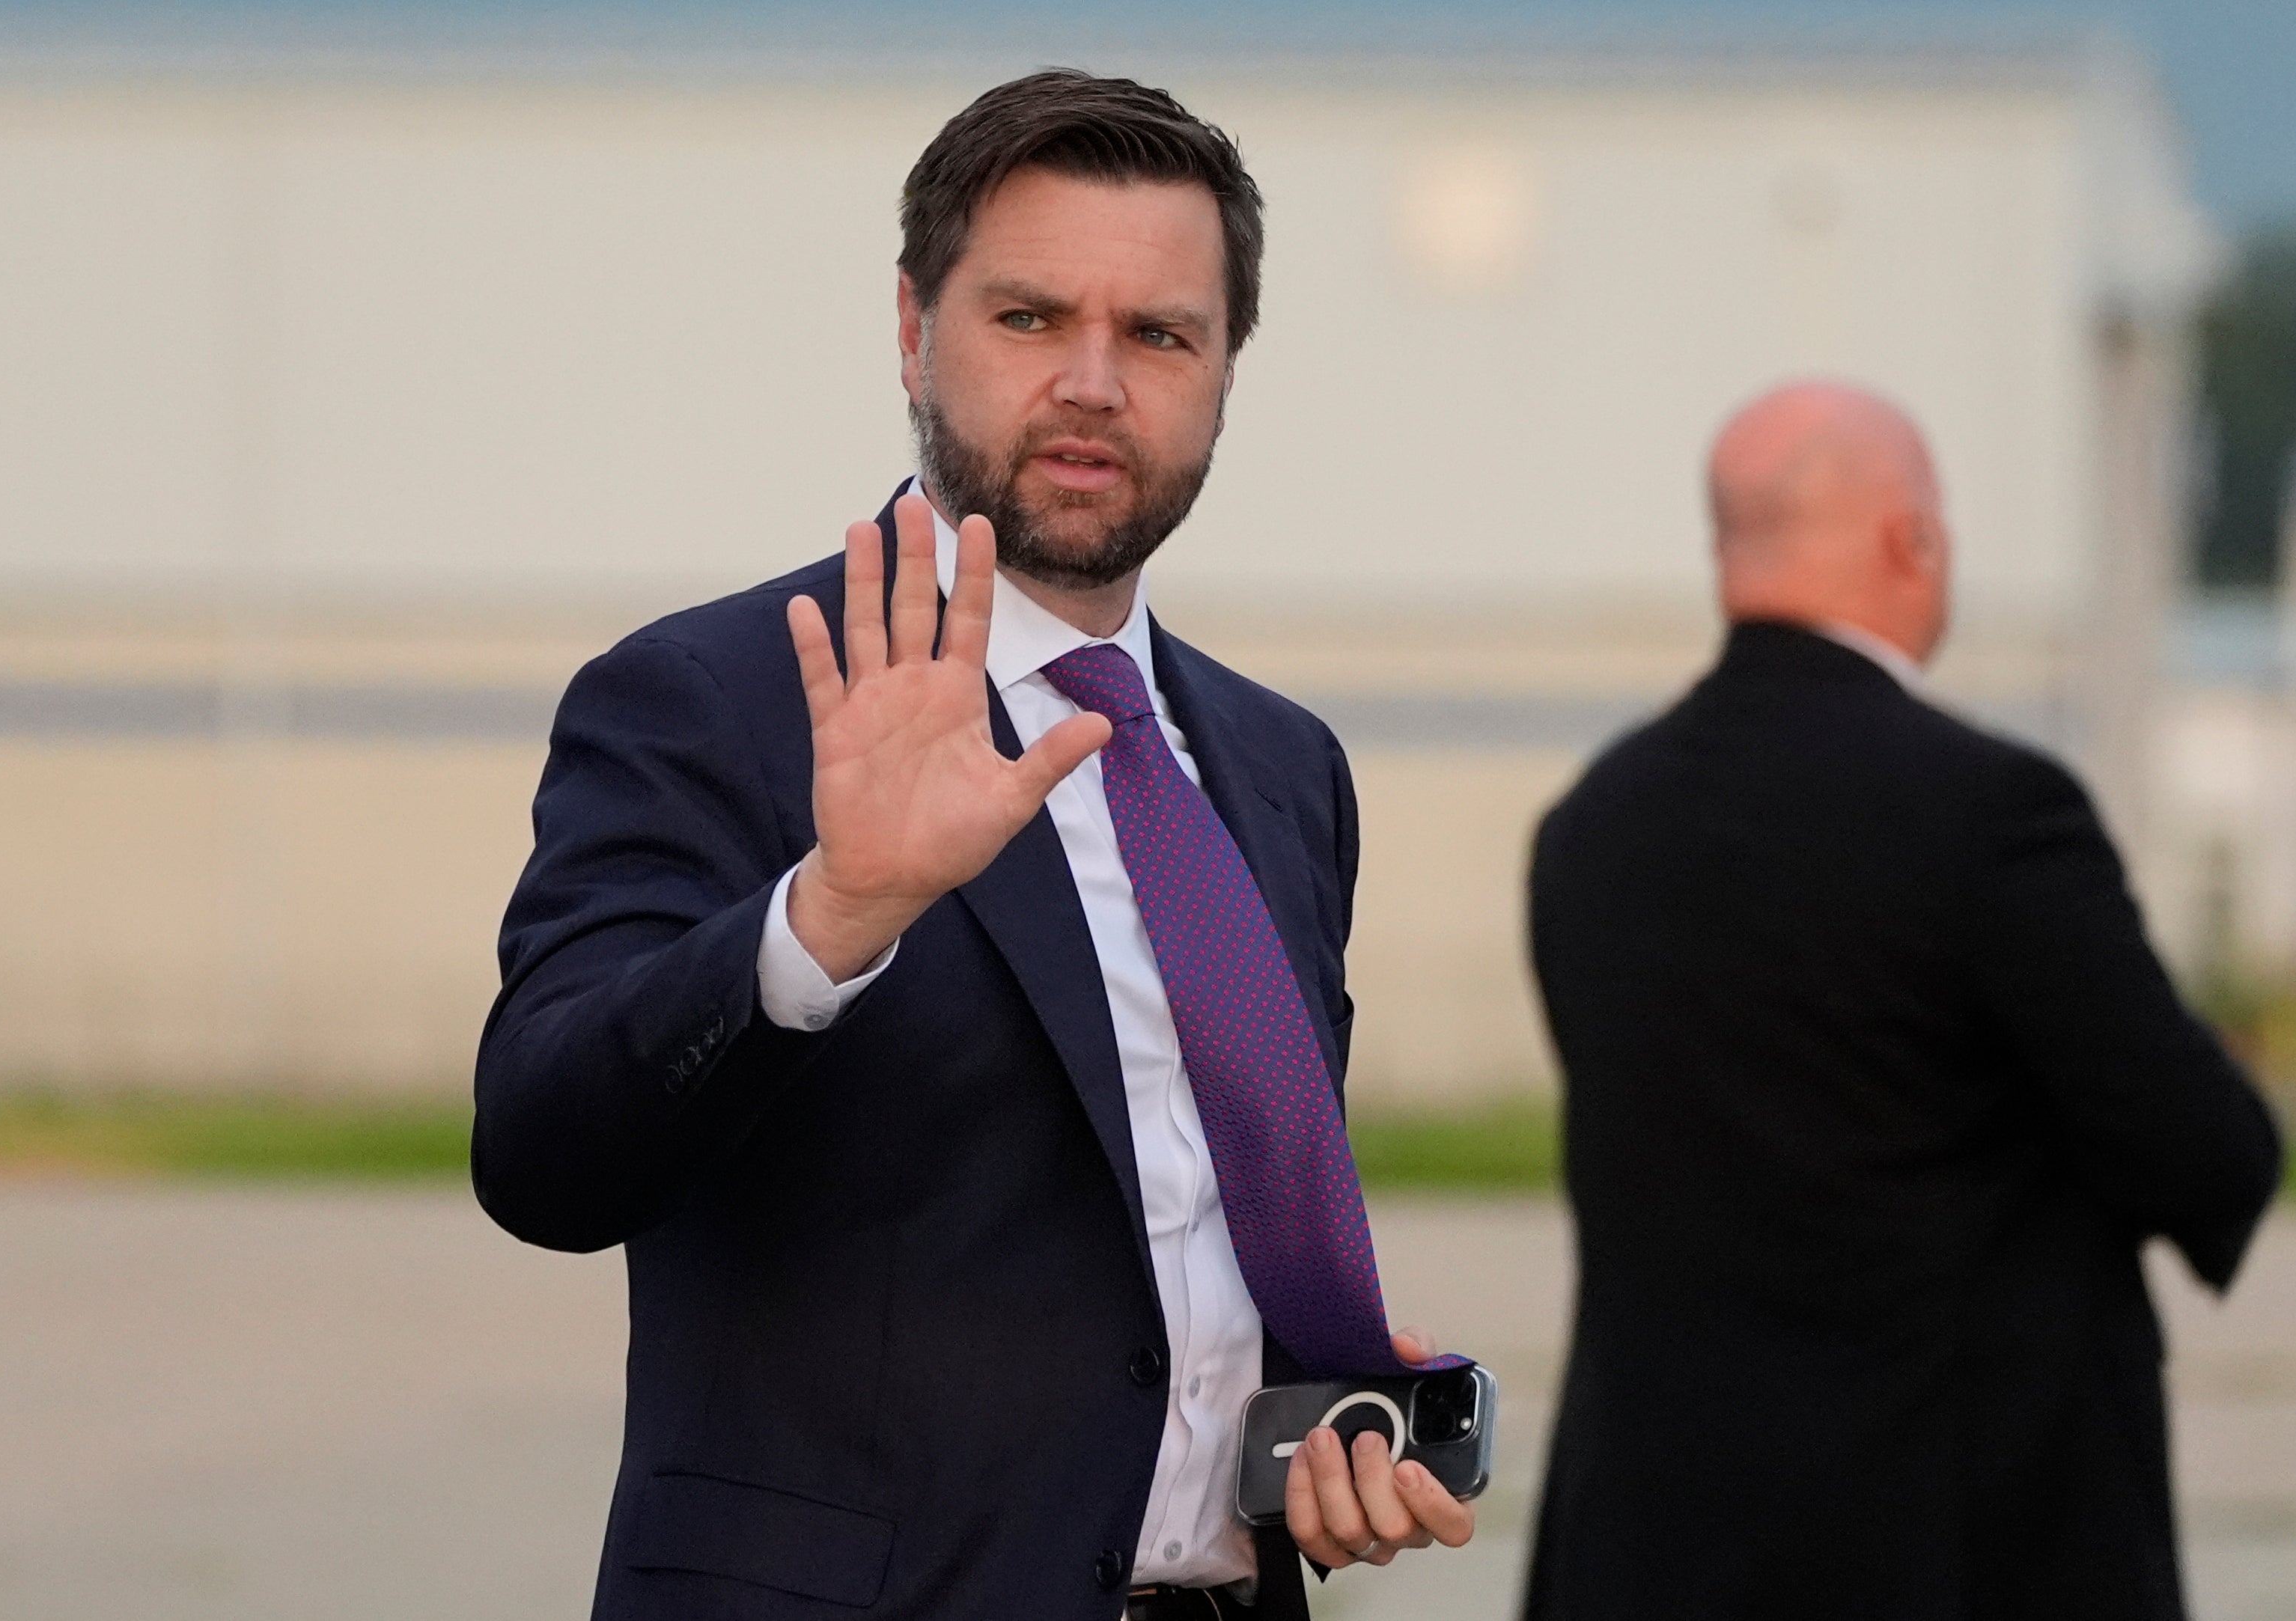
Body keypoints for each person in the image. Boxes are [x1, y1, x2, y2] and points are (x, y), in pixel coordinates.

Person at [474, 70, 1471, 1621]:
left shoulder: (1281, 772)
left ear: (1222, 371)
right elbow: (541, 1156)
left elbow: (1191, 1258)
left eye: (1157, 334)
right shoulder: (714, 700)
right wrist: (831, 913)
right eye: (1027, 319)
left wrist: (1314, 1422)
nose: (1091, 381)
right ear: (908, 327)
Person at [1520, 381, 2285, 1621]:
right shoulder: (1991, 812)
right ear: (1909, 541)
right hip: (1948, 1549)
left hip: (1649, 1551)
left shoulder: (1591, 826)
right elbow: (2202, 1153)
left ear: (1731, 551)